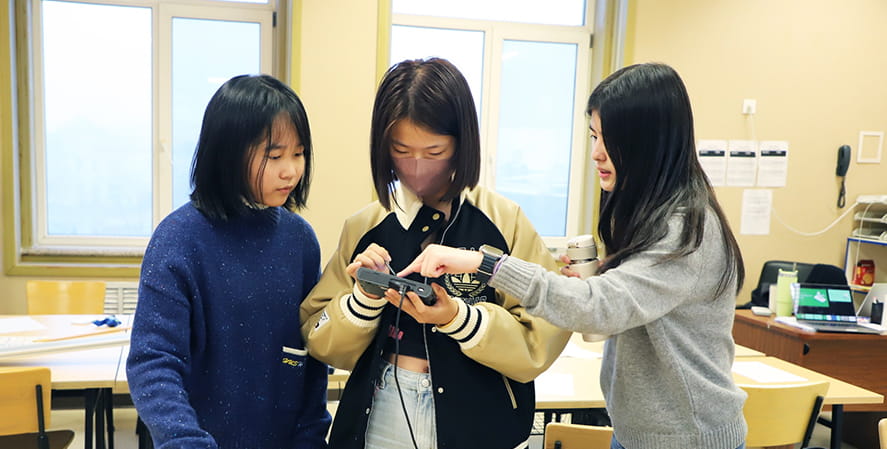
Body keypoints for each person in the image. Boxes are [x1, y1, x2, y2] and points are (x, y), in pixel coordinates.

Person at [398, 63, 749, 449]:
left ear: (649, 142)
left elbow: (598, 307)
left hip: (687, 439)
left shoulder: (685, 229)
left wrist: (485, 264)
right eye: (593, 136)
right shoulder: (655, 215)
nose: (596, 154)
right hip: (640, 434)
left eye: (609, 140)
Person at [300, 57, 570, 449]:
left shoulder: (503, 220)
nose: (417, 168)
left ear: (462, 145)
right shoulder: (365, 225)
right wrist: (362, 301)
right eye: (401, 150)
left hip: (482, 420)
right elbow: (318, 334)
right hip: (383, 411)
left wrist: (459, 318)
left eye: (435, 151)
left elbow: (545, 331)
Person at [127, 74, 330, 449]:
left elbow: (309, 359)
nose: (291, 170)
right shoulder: (179, 238)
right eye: (275, 156)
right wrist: (185, 440)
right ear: (229, 153)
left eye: (298, 153)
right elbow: (153, 362)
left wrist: (310, 438)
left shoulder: (300, 241)